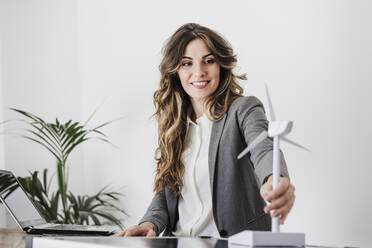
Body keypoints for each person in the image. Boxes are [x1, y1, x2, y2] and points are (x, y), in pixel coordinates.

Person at [115, 23, 295, 238]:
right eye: (186, 63)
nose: (198, 72)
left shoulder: (243, 110)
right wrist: (149, 223)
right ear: (175, 71)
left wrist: (275, 179)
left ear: (221, 65)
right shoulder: (174, 126)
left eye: (208, 61)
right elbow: (167, 191)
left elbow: (264, 147)